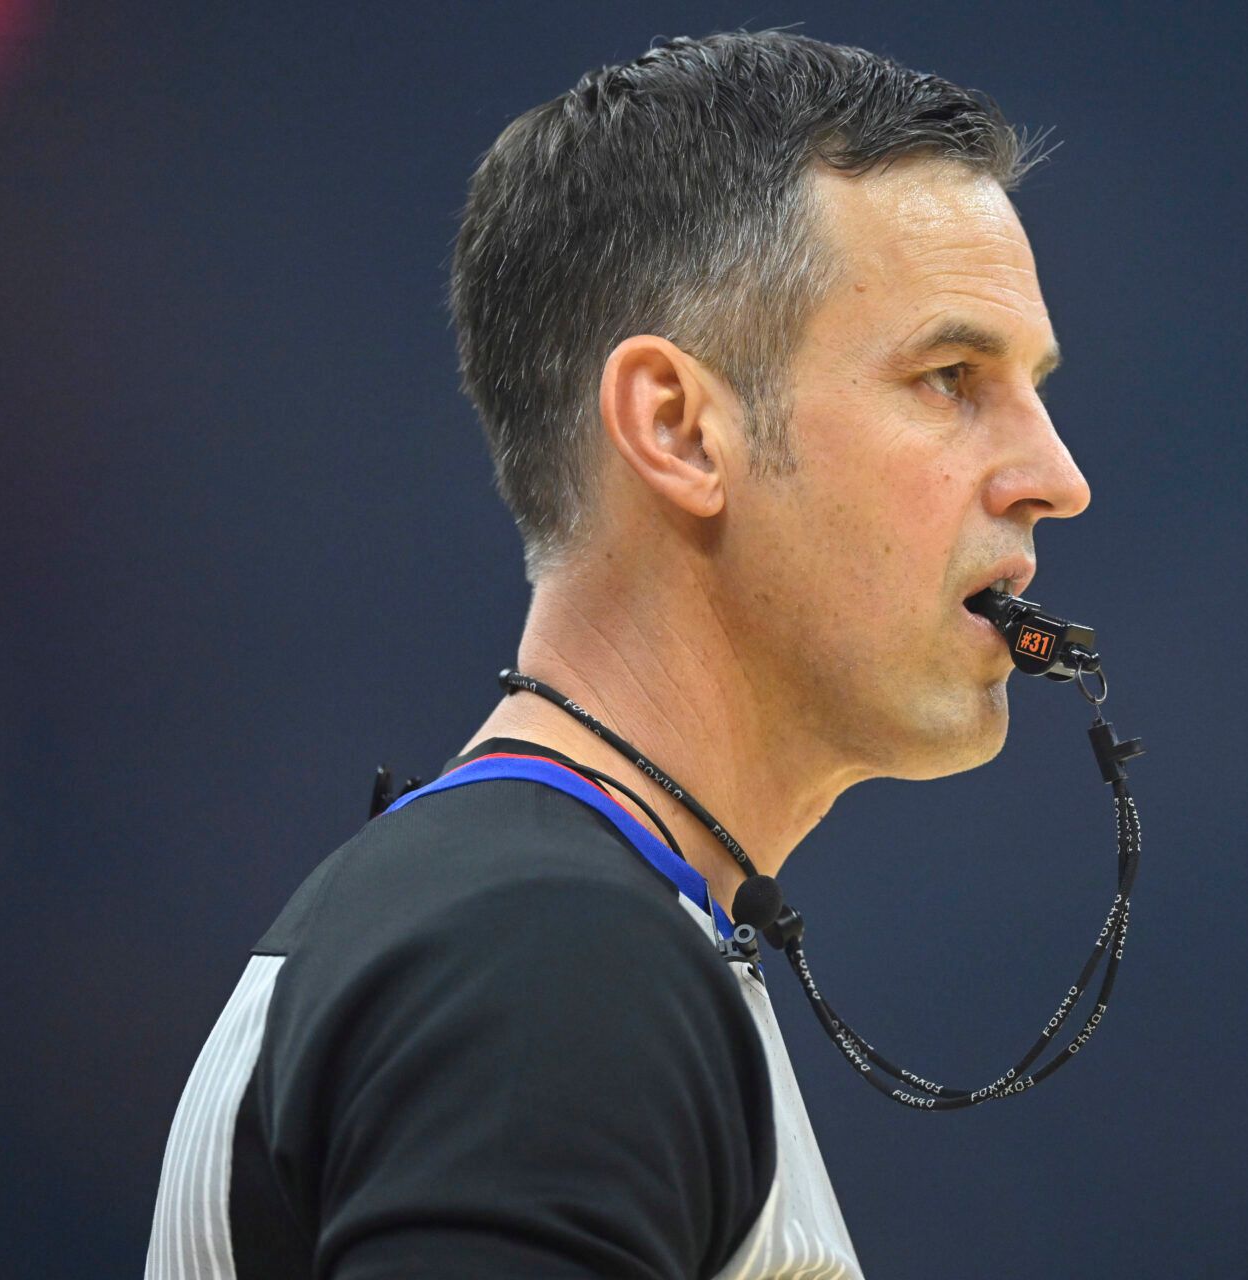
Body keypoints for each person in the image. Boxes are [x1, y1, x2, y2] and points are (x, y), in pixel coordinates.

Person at [145, 27, 1089, 1280]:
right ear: (680, 428)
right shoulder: (546, 971)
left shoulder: (525, 922)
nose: (1057, 478)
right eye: (951, 375)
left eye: (1032, 384)